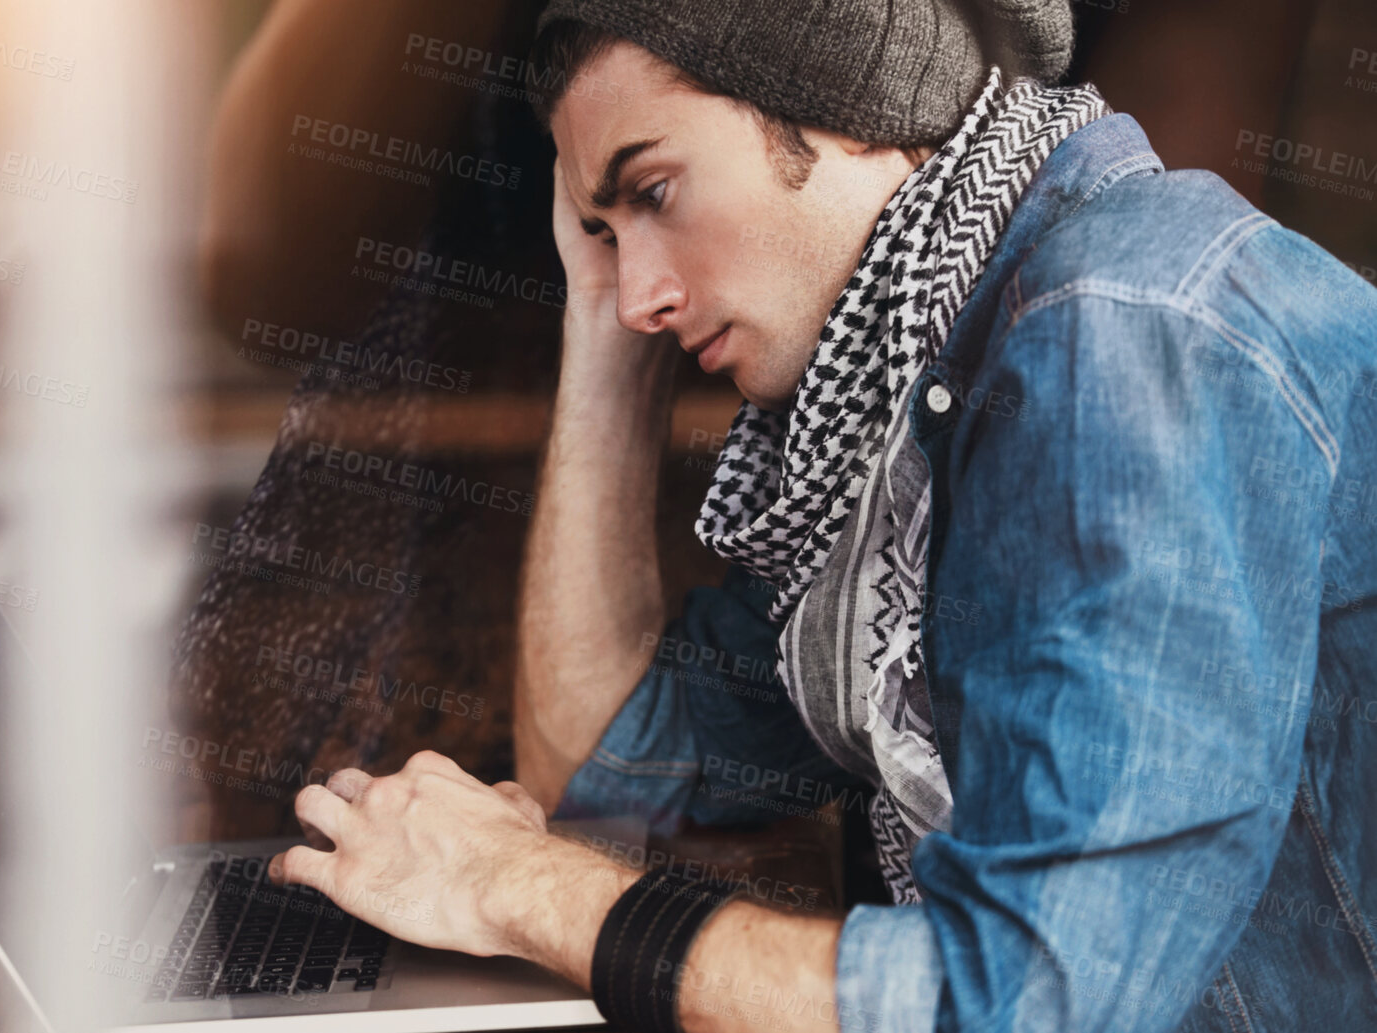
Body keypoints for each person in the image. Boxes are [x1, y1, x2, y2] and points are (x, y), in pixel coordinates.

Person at [267, 2, 1377, 1031]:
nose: (644, 293)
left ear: (850, 112)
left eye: (652, 191)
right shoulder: (893, 410)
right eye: (605, 231)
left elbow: (1023, 999)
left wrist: (514, 884)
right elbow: (608, 772)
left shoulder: (1123, 339)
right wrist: (599, 317)